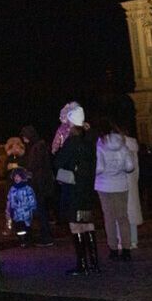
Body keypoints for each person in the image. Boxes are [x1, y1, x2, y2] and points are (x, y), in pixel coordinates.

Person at [52, 103, 99, 275]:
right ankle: (94, 263)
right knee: (88, 224)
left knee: (76, 226)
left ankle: (82, 264)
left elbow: (58, 162)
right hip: (87, 188)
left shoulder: (71, 142)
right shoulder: (90, 141)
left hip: (74, 189)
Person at [94, 124, 136, 260]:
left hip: (104, 186)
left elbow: (99, 168)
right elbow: (130, 167)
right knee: (123, 217)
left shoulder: (100, 145)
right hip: (121, 185)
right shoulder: (123, 146)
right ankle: (126, 249)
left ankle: (113, 249)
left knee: (109, 218)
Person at [19, 125, 56, 245]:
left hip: (38, 184)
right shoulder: (39, 146)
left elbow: (33, 166)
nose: (24, 139)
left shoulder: (36, 147)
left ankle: (46, 237)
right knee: (41, 210)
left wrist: (25, 172)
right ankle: (45, 234)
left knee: (41, 211)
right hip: (41, 183)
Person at [6, 168, 37, 248]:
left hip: (25, 212)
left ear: (22, 177)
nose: (16, 178)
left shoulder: (27, 188)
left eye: (18, 176)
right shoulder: (12, 189)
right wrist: (9, 209)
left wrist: (32, 208)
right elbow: (9, 199)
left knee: (26, 227)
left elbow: (31, 199)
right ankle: (21, 240)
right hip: (16, 212)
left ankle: (27, 240)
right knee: (18, 228)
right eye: (15, 176)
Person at [124, 129, 144, 249]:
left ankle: (126, 240)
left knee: (123, 213)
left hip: (122, 182)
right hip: (131, 181)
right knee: (131, 212)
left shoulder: (121, 146)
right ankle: (133, 240)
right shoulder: (132, 145)